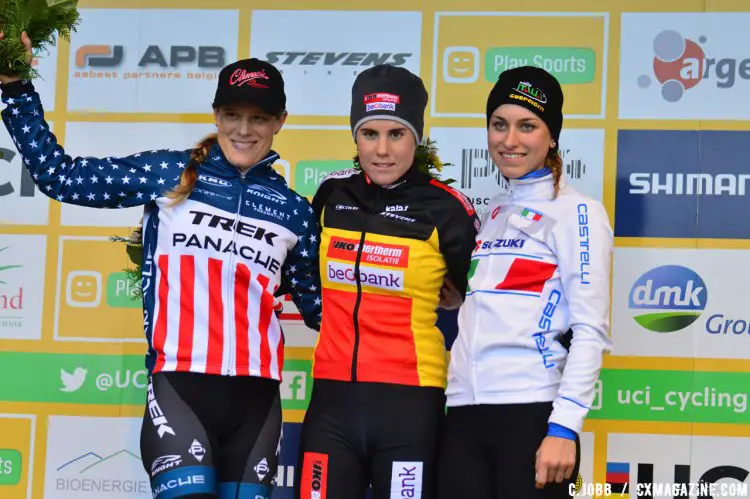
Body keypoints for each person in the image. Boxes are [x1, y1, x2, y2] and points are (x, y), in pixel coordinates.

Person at [0, 31, 321, 499]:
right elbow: (60, 176)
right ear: (216, 115)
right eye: (232, 115)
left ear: (280, 122)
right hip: (180, 387)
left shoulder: (294, 209)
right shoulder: (168, 174)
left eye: (259, 118)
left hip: (258, 401)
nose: (244, 130)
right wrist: (15, 87)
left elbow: (322, 310)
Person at [294, 65, 479, 499]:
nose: (381, 150)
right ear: (354, 137)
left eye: (396, 134)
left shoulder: (445, 209)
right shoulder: (331, 195)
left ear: (416, 136)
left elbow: (478, 296)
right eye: (369, 134)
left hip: (409, 402)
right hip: (332, 401)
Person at [437, 66, 613, 498]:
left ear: (551, 135)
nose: (509, 140)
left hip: (531, 412)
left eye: (527, 126)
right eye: (499, 125)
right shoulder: (493, 211)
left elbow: (590, 330)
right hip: (462, 411)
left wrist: (564, 427)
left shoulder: (578, 213)